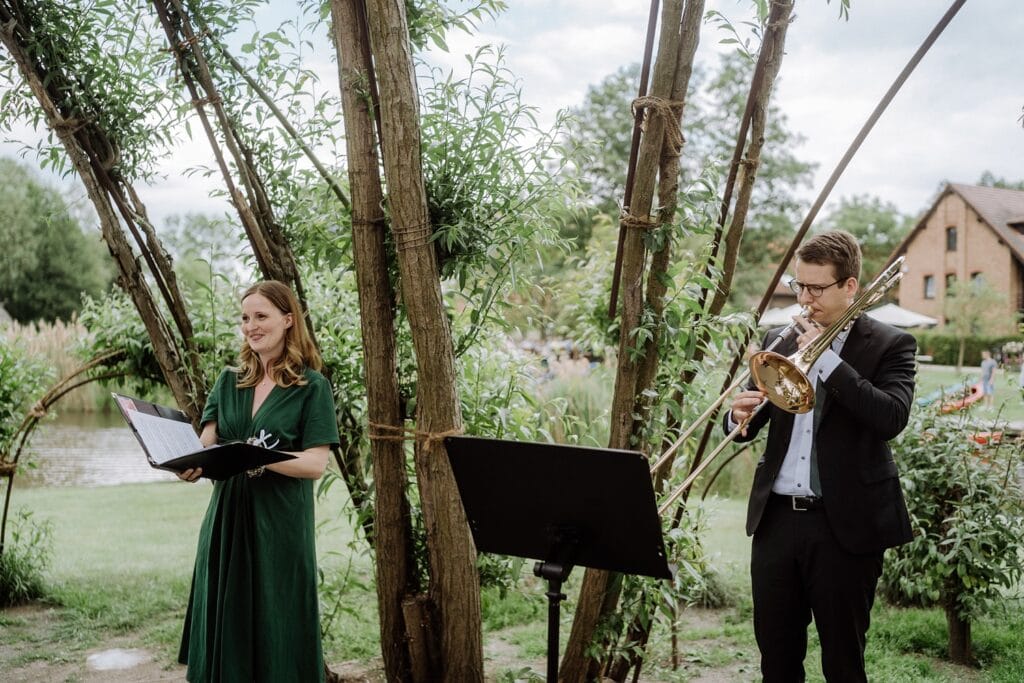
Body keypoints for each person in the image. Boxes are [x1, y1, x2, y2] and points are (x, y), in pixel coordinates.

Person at [726, 230, 916, 682]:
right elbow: (750, 423)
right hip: (775, 522)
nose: (803, 299)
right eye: (799, 286)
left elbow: (891, 417)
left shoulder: (891, 344)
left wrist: (826, 359)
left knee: (843, 662)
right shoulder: (780, 339)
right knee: (776, 658)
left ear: (850, 286)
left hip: (844, 526)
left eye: (815, 288)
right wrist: (737, 418)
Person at [177, 280, 339, 682]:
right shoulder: (228, 382)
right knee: (227, 621)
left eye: (261, 316)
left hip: (279, 526)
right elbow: (206, 444)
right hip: (226, 522)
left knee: (277, 622)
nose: (251, 325)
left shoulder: (312, 387)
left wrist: (259, 458)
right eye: (245, 318)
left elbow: (317, 463)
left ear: (288, 321)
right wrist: (187, 464)